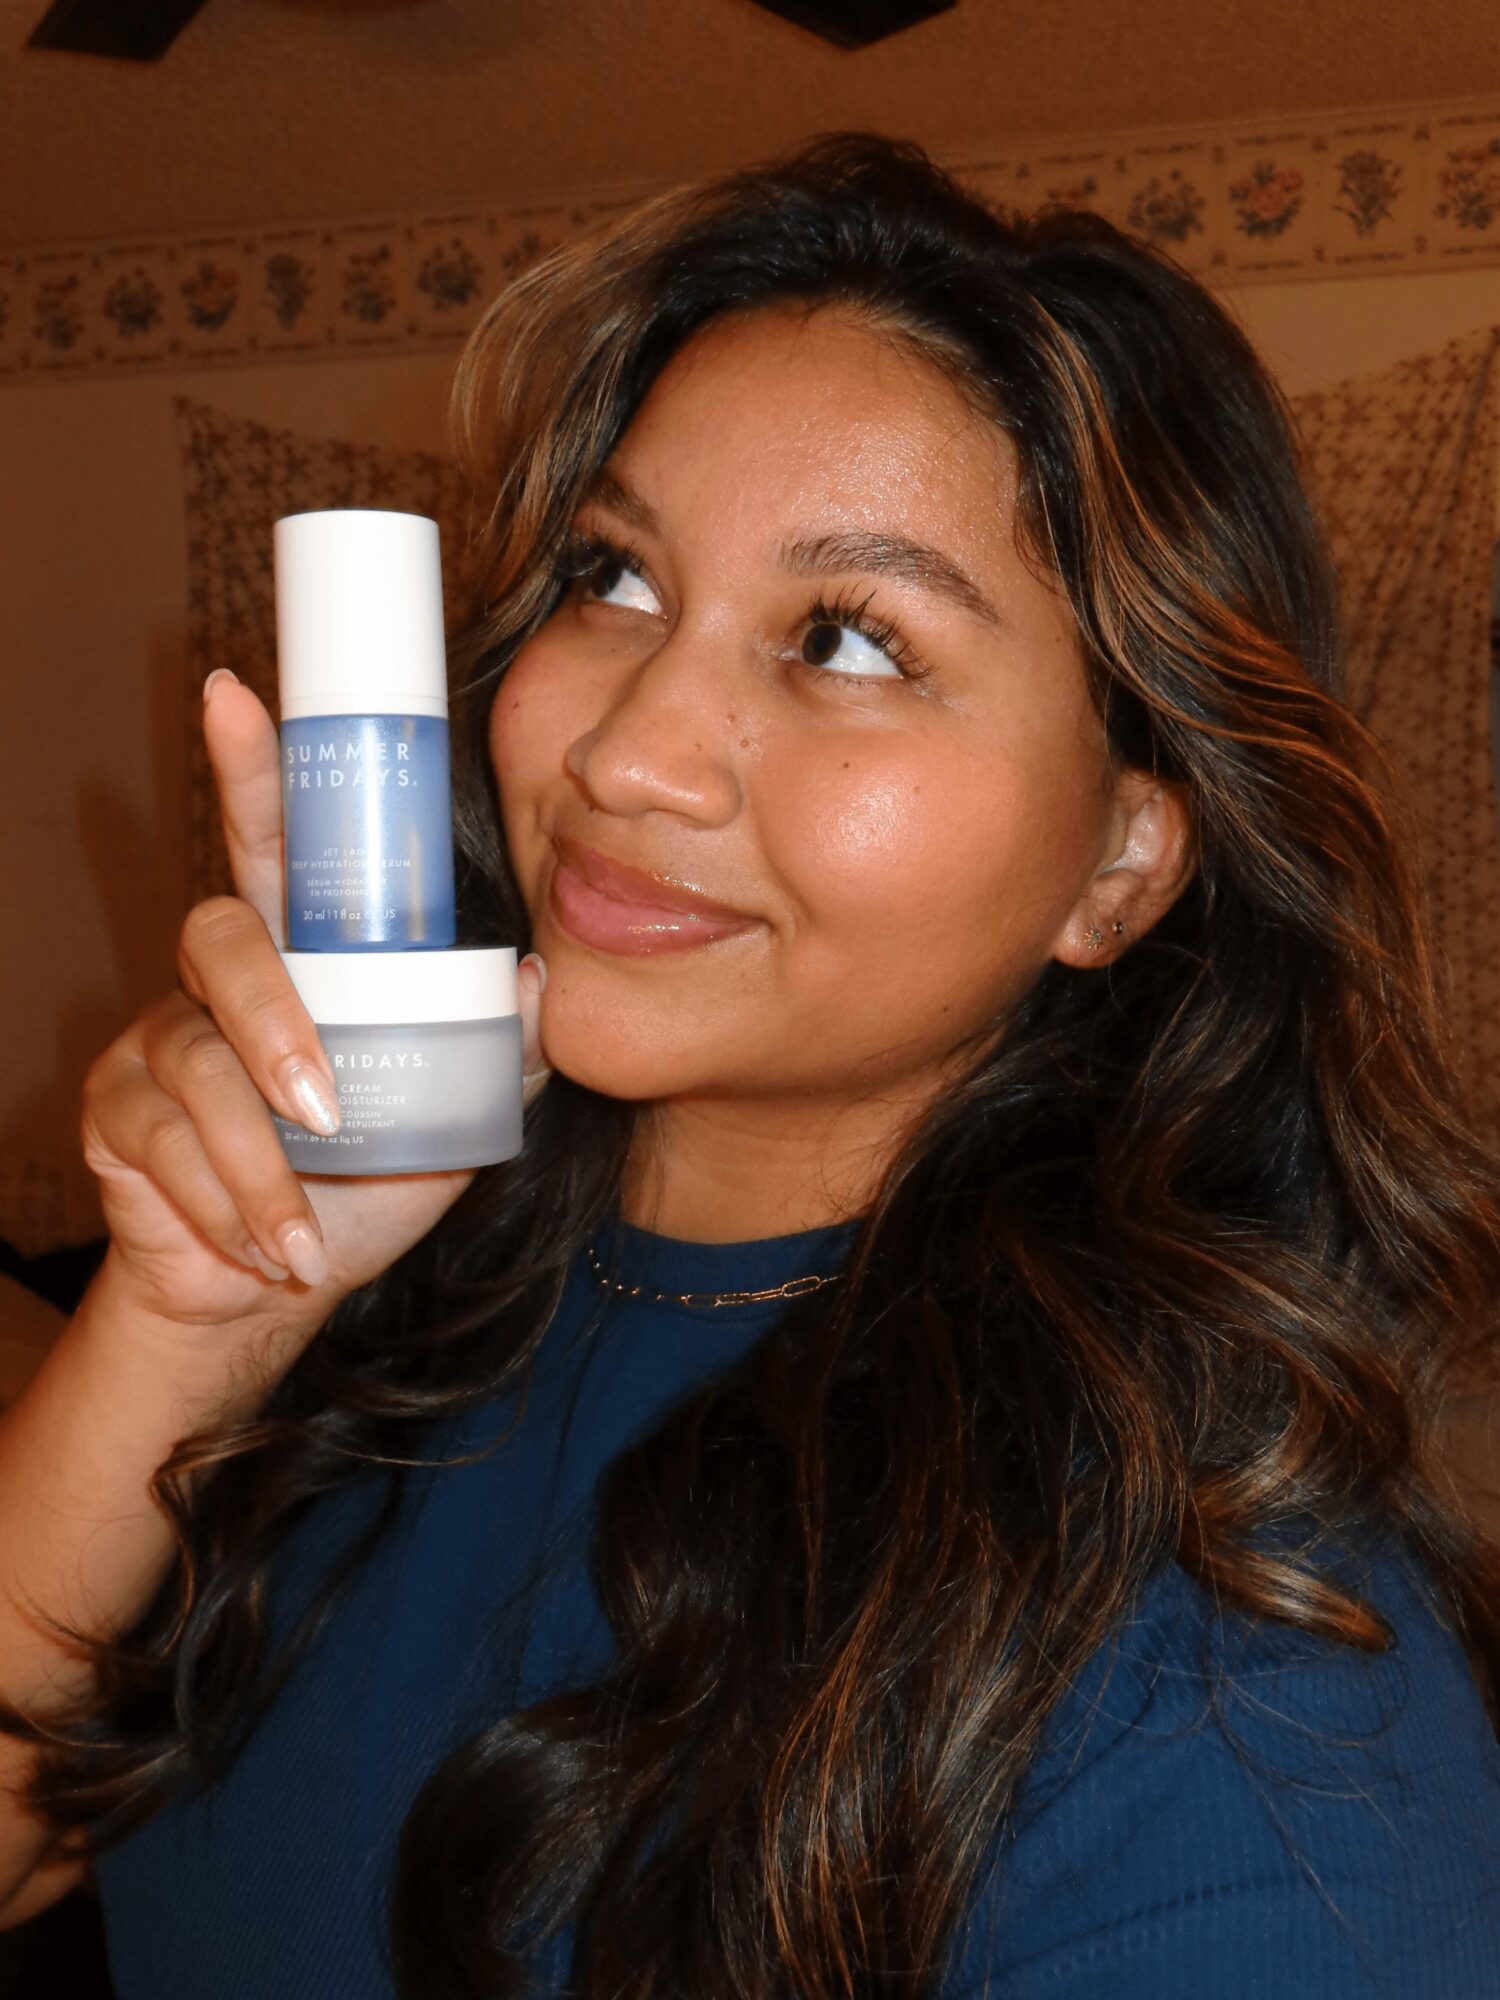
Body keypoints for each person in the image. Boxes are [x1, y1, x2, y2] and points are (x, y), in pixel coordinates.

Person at [0, 133, 1497, 2000]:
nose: (624, 753)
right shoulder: (411, 1300)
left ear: (1119, 860)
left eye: (848, 638)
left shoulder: (1227, 1703)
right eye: (616, 577)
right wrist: (197, 1313)